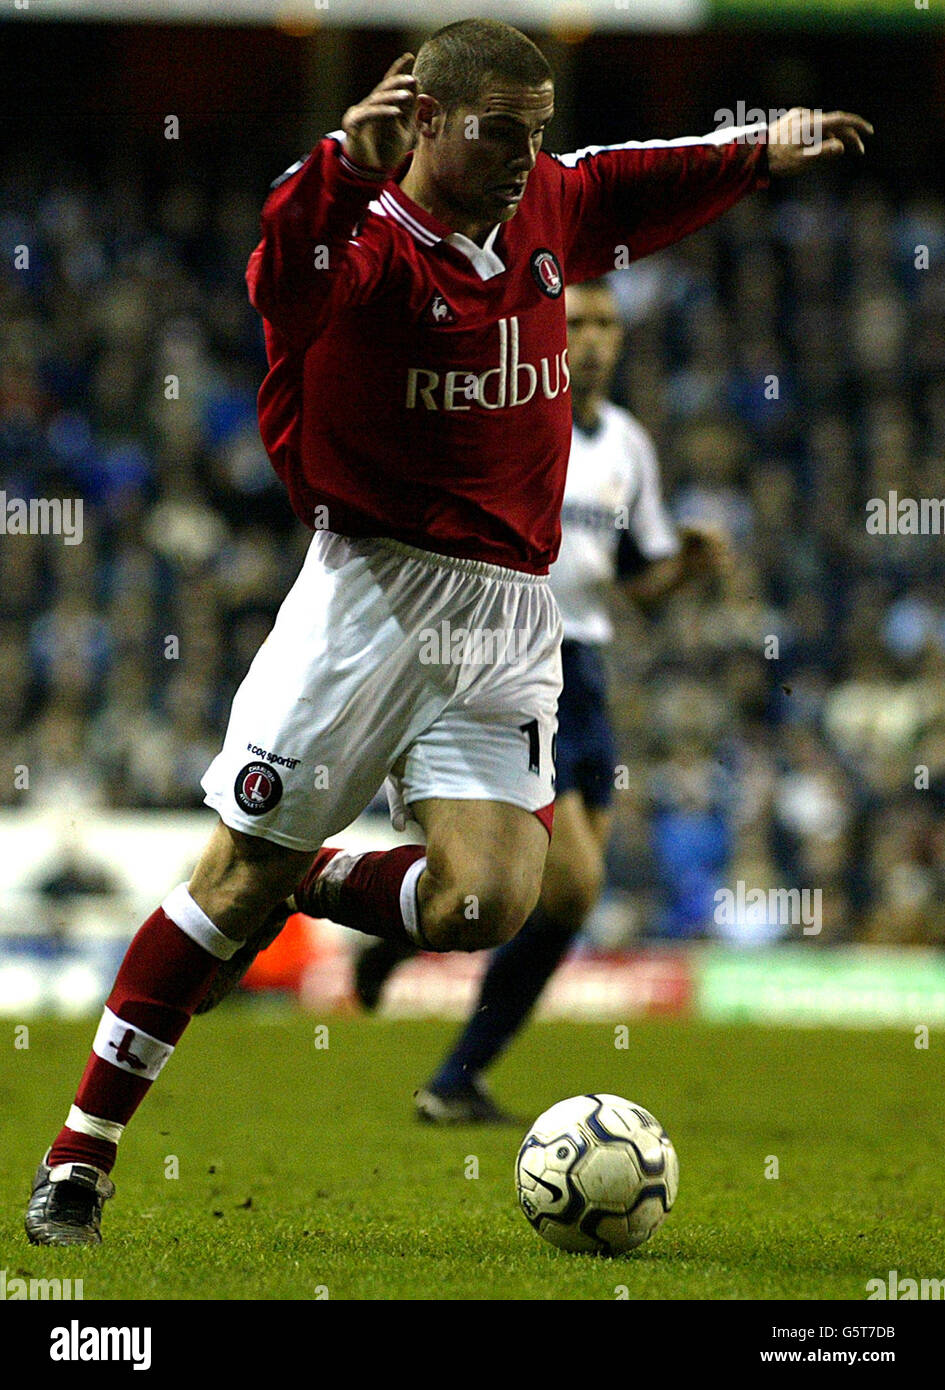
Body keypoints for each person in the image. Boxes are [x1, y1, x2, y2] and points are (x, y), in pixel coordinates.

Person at [25, 17, 871, 1244]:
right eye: (501, 131)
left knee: (488, 903)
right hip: (372, 596)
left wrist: (758, 150)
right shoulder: (365, 238)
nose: (530, 156)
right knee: (225, 883)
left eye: (537, 131)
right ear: (425, 121)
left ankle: (309, 873)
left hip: (511, 612)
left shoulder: (546, 212)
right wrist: (336, 170)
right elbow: (283, 279)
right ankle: (80, 1155)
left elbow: (635, 174)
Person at [354, 277, 730, 1122]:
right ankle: (449, 1057)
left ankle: (425, 996)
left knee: (563, 898)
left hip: (589, 671)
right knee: (564, 883)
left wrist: (689, 568)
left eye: (605, 323)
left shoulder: (627, 445)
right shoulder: (516, 420)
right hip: (514, 658)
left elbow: (636, 582)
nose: (593, 337)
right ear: (552, 334)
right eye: (578, 321)